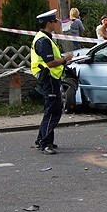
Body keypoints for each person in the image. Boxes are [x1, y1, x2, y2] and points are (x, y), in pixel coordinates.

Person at [31, 9, 73, 155]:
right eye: (54, 22)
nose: (56, 24)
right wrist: (65, 59)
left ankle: (41, 139)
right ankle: (46, 144)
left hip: (51, 77)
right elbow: (50, 62)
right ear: (49, 23)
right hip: (48, 77)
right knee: (53, 110)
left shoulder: (46, 37)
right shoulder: (43, 40)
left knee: (51, 109)